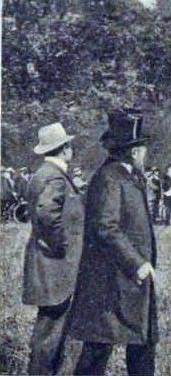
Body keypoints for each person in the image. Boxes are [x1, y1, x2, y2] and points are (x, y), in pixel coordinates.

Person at [69, 109, 158, 376]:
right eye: (143, 148)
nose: (145, 153)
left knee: (143, 341)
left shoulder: (127, 176)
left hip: (130, 278)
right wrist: (137, 263)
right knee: (98, 347)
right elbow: (106, 228)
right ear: (133, 152)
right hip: (110, 279)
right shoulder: (109, 178)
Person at [21, 122, 84, 375]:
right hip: (55, 267)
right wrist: (63, 247)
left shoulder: (43, 173)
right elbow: (47, 213)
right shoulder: (55, 177)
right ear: (64, 149)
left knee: (49, 329)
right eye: (69, 145)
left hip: (48, 264)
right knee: (51, 332)